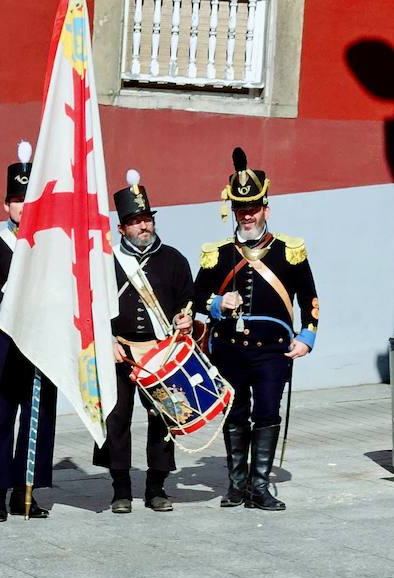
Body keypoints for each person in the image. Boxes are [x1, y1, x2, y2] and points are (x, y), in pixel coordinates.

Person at [194, 147, 319, 512]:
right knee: (234, 414)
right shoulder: (217, 253)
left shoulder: (289, 251)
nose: (247, 215)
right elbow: (194, 295)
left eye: (253, 208)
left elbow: (310, 297)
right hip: (230, 348)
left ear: (266, 207)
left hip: (271, 350)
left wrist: (307, 337)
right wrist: (217, 304)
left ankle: (260, 486)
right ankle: (236, 485)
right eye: (240, 209)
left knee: (266, 411)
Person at [94, 169, 194, 514]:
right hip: (118, 350)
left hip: (160, 352)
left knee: (162, 420)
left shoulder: (174, 260)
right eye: (135, 221)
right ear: (121, 227)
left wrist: (186, 320)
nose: (143, 226)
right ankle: (120, 489)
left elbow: (188, 303)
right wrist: (106, 340)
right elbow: (90, 308)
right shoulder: (105, 262)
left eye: (147, 219)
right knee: (117, 419)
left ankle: (156, 489)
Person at [0, 142, 56, 521]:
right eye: (17, 201)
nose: (23, 207)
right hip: (4, 337)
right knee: (0, 417)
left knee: (38, 416)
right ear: (7, 206)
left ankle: (27, 493)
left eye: (29, 200)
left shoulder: (52, 245)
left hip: (41, 337)